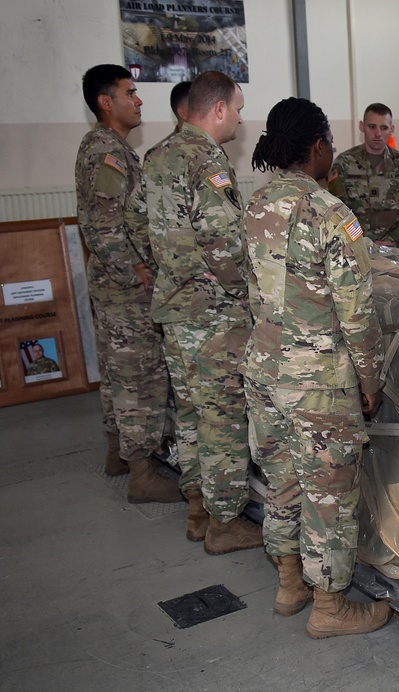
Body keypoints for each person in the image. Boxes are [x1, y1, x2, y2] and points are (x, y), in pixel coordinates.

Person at [243, 97, 392, 638]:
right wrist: (370, 383)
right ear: (318, 146)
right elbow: (357, 316)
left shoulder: (255, 205)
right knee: (329, 495)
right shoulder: (332, 214)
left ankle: (289, 585)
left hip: (263, 375)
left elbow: (251, 291)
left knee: (282, 483)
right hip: (318, 386)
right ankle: (329, 608)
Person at [138, 70, 261, 554]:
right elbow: (223, 242)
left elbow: (134, 218)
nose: (240, 117)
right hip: (212, 316)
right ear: (218, 110)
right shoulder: (207, 159)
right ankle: (225, 524)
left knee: (189, 414)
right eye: (238, 108)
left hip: (174, 311)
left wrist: (166, 267)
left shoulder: (158, 155)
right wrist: (251, 295)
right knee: (224, 419)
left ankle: (197, 509)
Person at [74, 64, 176, 503]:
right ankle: (142, 474)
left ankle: (118, 452)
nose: (138, 100)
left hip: (115, 284)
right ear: (105, 101)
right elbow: (100, 221)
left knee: (117, 371)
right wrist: (129, 269)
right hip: (125, 288)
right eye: (130, 92)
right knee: (139, 375)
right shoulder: (106, 152)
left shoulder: (111, 147)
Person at [327, 102, 399, 251]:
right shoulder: (344, 164)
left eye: (384, 128)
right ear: (362, 126)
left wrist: (392, 241)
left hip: (398, 250)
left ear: (391, 130)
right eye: (372, 127)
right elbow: (337, 213)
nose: (378, 134)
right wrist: (365, 241)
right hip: (356, 250)